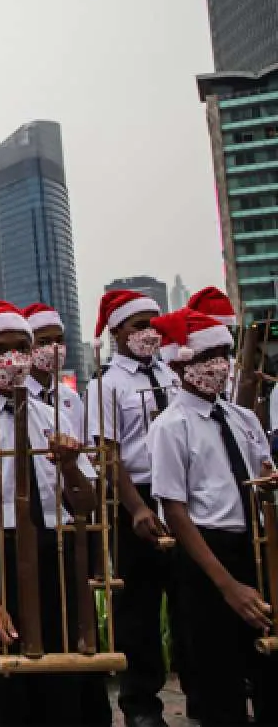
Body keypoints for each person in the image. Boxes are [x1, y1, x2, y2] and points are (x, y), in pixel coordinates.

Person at [0, 296, 99, 726]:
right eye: (0, 349)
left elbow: (86, 504)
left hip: (55, 552)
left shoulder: (55, 416)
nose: (14, 359)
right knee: (5, 692)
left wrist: (69, 466)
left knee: (63, 689)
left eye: (21, 348)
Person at [149, 308, 278, 726]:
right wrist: (227, 585)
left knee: (270, 673)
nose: (219, 365)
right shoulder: (172, 426)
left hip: (254, 547)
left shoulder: (243, 420)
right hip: (206, 553)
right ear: (180, 363)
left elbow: (262, 478)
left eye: (224, 353)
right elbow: (175, 510)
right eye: (207, 356)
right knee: (217, 685)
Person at [83, 289, 185, 727]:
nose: (148, 333)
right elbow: (107, 452)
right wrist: (137, 507)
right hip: (136, 498)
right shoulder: (107, 386)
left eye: (153, 324)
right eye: (138, 325)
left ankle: (202, 690)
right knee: (138, 607)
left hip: (181, 495)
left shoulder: (176, 374)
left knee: (188, 598)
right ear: (117, 331)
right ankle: (141, 705)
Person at [23, 302, 113, 726]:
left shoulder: (71, 400)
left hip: (72, 518)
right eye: (44, 342)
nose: (53, 349)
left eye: (59, 340)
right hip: (29, 526)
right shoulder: (21, 403)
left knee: (81, 624)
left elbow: (88, 468)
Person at [21, 303, 82, 437]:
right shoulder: (17, 398)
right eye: (44, 342)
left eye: (59, 341)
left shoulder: (71, 397)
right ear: (26, 347)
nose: (55, 347)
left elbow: (86, 444)